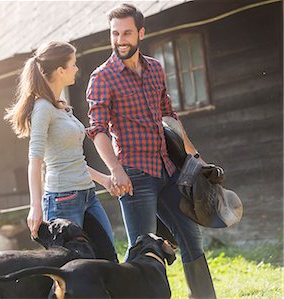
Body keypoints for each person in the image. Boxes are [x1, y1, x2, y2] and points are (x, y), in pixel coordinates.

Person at [86, 3, 216, 298]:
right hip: (135, 175)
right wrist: (115, 170)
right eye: (115, 34)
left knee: (192, 240)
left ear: (141, 33)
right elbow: (97, 129)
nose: (120, 40)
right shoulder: (102, 77)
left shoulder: (156, 68)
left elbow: (169, 115)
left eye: (127, 33)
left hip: (168, 171)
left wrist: (193, 155)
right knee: (142, 252)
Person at [4, 41, 117, 261]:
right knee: (70, 268)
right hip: (62, 198)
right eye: (73, 64)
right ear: (60, 70)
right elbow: (35, 159)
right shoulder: (42, 109)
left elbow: (72, 158)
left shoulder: (61, 107)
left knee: (108, 260)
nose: (77, 69)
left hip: (87, 195)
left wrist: (104, 179)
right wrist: (35, 206)